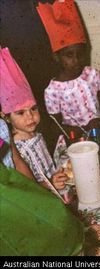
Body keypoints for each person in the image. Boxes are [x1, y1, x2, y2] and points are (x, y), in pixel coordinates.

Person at [36, 0, 100, 140]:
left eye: (80, 54)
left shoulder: (92, 74)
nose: (76, 60)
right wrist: (83, 128)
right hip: (74, 140)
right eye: (69, 55)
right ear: (57, 57)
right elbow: (56, 126)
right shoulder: (53, 90)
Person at [0, 46, 68, 191]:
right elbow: (27, 188)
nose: (30, 117)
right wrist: (50, 184)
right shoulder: (19, 149)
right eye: (20, 113)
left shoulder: (36, 134)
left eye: (33, 108)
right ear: (5, 117)